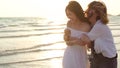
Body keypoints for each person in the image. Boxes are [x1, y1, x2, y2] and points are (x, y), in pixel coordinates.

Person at [70, 1, 117, 68]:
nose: (87, 10)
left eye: (90, 9)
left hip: (107, 60)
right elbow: (89, 45)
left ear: (97, 13)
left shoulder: (100, 25)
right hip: (96, 57)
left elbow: (86, 39)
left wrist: (75, 38)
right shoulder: (92, 25)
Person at [63, 1, 91, 68]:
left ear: (76, 12)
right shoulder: (69, 23)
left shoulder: (86, 26)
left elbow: (85, 43)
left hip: (80, 55)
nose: (69, 17)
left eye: (70, 14)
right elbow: (66, 40)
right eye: (67, 15)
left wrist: (74, 41)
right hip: (69, 55)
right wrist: (66, 36)